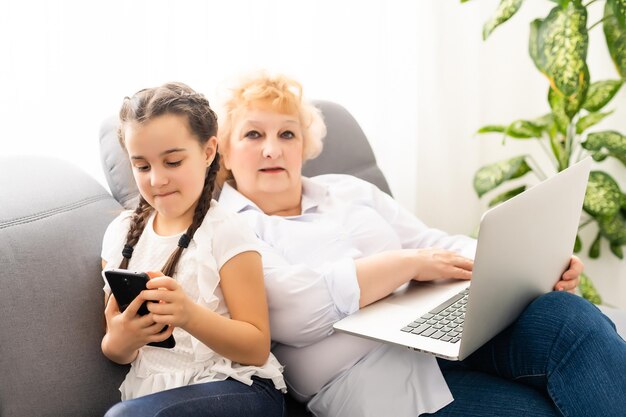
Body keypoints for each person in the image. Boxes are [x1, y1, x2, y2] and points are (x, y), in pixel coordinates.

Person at [215, 72, 626, 417]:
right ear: (225, 154)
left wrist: (526, 262)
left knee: (569, 315)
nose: (273, 148)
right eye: (253, 134)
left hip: (443, 333)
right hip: (376, 379)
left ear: (304, 147)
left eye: (287, 133)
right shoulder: (228, 228)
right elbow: (299, 313)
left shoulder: (347, 190)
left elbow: (434, 244)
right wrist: (406, 265)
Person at [100, 82, 286, 417]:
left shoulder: (225, 229)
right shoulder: (120, 235)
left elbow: (256, 347)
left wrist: (188, 314)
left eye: (172, 162)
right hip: (159, 396)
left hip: (240, 385)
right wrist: (123, 337)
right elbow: (115, 350)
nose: (157, 180)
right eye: (142, 166)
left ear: (208, 151)